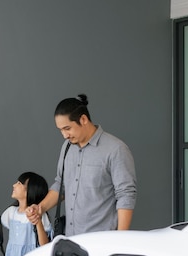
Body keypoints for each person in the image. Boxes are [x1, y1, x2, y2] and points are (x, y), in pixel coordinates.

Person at [28, 93, 137, 235]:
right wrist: (40, 208)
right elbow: (61, 185)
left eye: (67, 128)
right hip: (70, 240)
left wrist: (121, 239)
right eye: (60, 130)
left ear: (83, 119)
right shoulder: (67, 147)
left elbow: (126, 195)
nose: (64, 135)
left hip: (101, 241)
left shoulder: (116, 149)